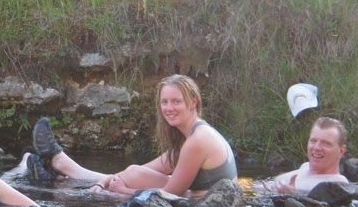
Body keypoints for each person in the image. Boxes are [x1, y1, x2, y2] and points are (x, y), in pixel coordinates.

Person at [23, 74, 237, 200]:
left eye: (176, 101)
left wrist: (123, 191)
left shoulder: (197, 140)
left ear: (193, 102)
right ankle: (62, 166)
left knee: (124, 183)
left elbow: (172, 195)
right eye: (164, 102)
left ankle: (60, 168)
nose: (169, 108)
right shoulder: (191, 138)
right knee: (131, 173)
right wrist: (107, 181)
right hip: (198, 202)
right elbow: (144, 170)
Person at [263, 116, 348, 194]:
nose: (317, 147)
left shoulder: (337, 183)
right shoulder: (305, 166)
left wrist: (293, 197)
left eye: (326, 143)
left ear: (341, 151)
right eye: (313, 141)